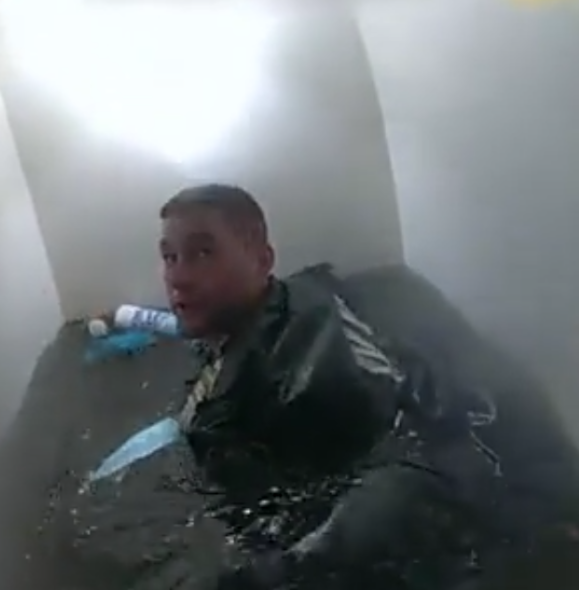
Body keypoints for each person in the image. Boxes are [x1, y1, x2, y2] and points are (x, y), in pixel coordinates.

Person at [148, 183, 572, 590]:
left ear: (262, 259)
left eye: (203, 252)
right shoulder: (231, 350)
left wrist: (284, 570)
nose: (178, 277)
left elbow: (415, 461)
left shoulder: (318, 353)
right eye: (169, 257)